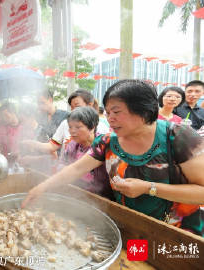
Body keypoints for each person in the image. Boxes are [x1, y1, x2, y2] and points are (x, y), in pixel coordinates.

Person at [23, 80, 204, 236]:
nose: (110, 119)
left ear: (143, 110)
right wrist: (41, 188)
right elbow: (77, 168)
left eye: (116, 112)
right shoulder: (108, 142)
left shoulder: (179, 138)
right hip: (129, 226)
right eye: (108, 113)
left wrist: (149, 188)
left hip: (175, 232)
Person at [57, 107, 113, 199]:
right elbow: (62, 164)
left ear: (92, 127)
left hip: (102, 199)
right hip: (77, 194)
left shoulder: (104, 145)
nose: (72, 131)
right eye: (70, 127)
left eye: (78, 127)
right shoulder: (72, 145)